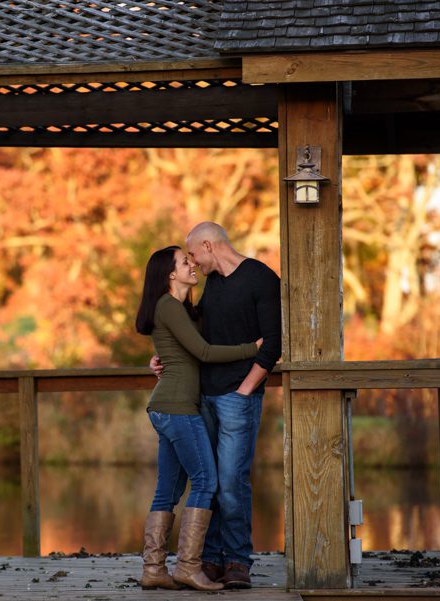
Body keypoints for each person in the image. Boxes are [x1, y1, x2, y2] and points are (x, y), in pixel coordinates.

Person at [151, 223, 281, 589]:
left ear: (208, 245)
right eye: (187, 259)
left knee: (231, 482)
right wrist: (161, 358)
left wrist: (244, 391)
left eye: (193, 255)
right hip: (202, 399)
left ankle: (237, 561)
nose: (192, 262)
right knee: (206, 480)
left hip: (237, 398)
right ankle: (209, 559)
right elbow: (194, 335)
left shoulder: (260, 278)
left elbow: (272, 343)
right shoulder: (213, 286)